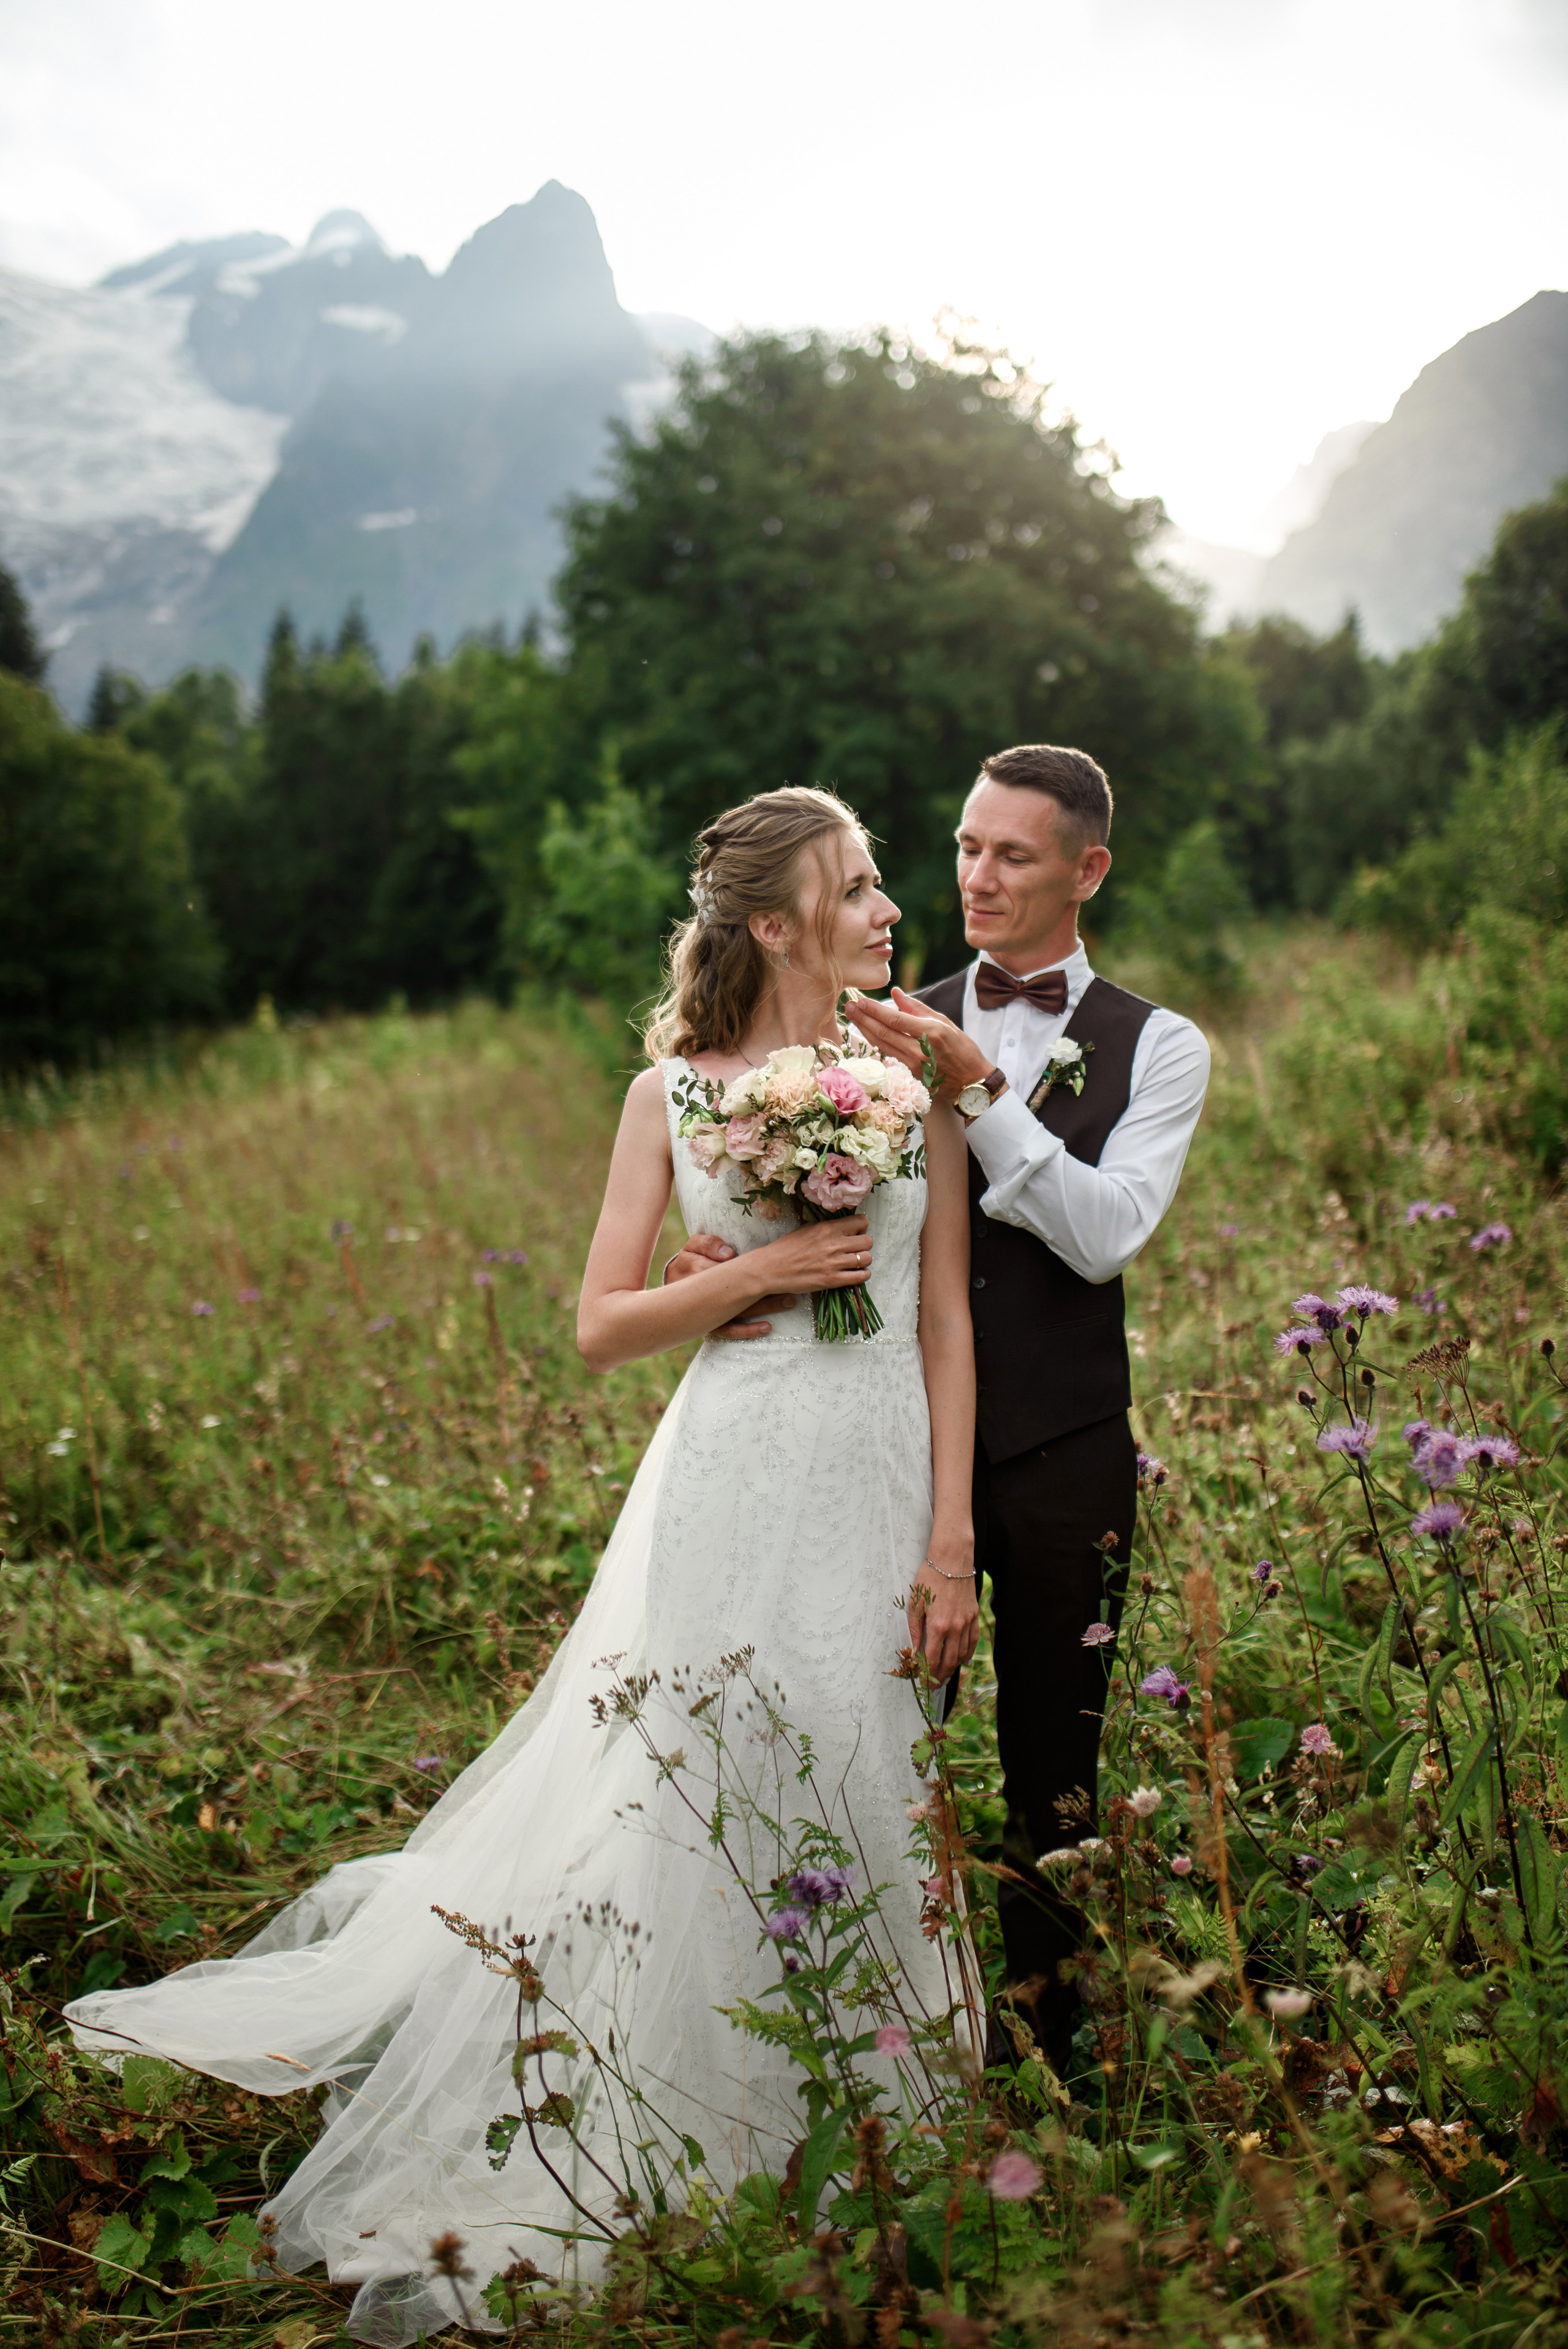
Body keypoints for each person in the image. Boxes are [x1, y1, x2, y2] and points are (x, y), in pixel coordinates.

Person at [67, 785, 978, 2346]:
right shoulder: (668, 1096)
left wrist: (950, 1534)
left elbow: (944, 1318)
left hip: (880, 1465)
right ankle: (678, 2113)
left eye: (887, 883)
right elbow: (598, 1323)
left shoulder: (911, 1076)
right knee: (700, 1775)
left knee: (865, 1757)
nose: (893, 908)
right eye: (860, 885)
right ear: (773, 923)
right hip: (730, 1464)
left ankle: (884, 2120)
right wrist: (753, 1270)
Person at [671, 746, 1208, 2075]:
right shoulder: (868, 1012)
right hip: (871, 1444)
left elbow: (1102, 1236)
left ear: (1084, 870)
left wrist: (982, 1088)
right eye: (964, 846)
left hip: (1058, 1452)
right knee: (842, 1743)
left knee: (1052, 1766)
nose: (971, 876)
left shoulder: (1160, 1046)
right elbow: (757, 1158)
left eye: (1009, 855)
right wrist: (718, 1263)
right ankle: (830, 2046)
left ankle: (1048, 2044)